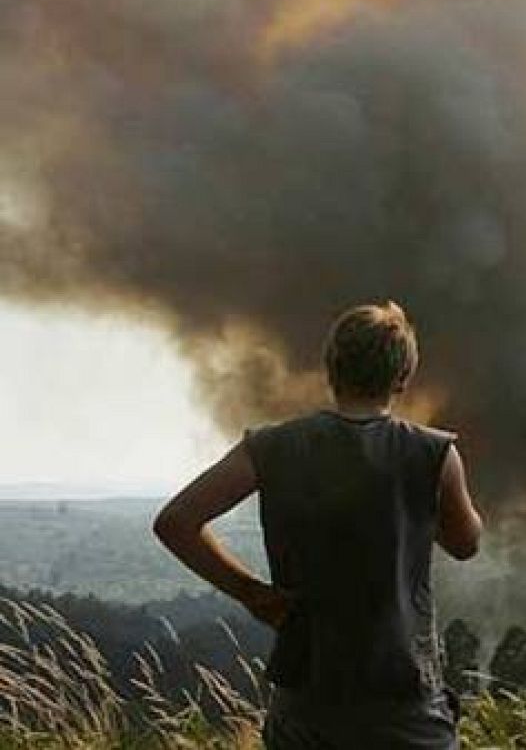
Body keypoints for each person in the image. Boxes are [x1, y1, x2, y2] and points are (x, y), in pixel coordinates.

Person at [154, 301, 484, 749]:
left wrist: (252, 593)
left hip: (308, 702)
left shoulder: (271, 448)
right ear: (402, 378)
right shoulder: (433, 454)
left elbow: (177, 521)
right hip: (405, 703)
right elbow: (466, 543)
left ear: (331, 368)